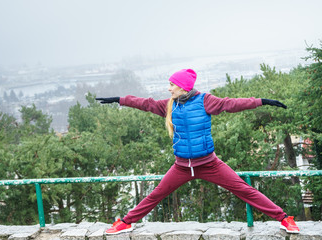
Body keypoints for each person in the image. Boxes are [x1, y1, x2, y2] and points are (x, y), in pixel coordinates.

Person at [96, 69, 300, 235]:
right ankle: (126, 222)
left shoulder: (205, 101)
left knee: (245, 190)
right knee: (156, 194)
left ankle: (284, 219)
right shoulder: (168, 106)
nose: (168, 89)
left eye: (172, 85)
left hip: (209, 164)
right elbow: (145, 103)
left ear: (183, 87)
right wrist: (120, 100)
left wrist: (261, 101)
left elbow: (231, 104)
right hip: (182, 167)